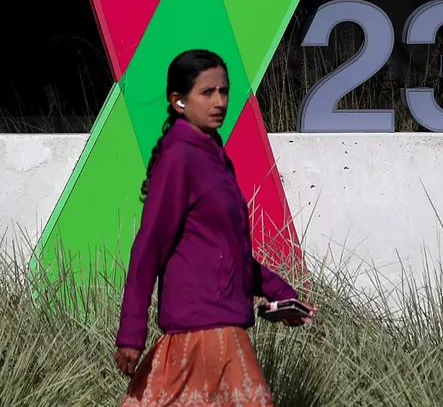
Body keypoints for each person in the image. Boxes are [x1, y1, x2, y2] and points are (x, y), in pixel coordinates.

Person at [114, 49, 313, 406]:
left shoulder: (213, 155)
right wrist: (131, 333)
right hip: (199, 332)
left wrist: (279, 292)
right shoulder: (180, 157)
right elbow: (149, 246)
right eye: (207, 93)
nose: (219, 101)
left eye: (224, 91)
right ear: (177, 101)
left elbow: (227, 251)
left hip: (221, 328)